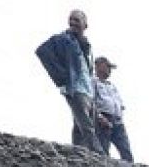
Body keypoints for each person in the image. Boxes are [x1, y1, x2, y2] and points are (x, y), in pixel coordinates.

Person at [35, 10, 103, 154]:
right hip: (75, 88)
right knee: (86, 125)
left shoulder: (85, 44)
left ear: (85, 24)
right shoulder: (63, 39)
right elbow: (42, 51)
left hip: (87, 90)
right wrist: (61, 76)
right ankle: (100, 154)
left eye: (76, 20)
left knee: (79, 126)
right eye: (71, 19)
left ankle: (78, 154)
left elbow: (87, 69)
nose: (72, 23)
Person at [92, 56, 132, 162]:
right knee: (103, 150)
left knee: (126, 151)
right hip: (103, 119)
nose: (110, 70)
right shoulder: (93, 82)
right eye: (108, 67)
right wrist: (99, 117)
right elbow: (90, 102)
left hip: (117, 120)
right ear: (99, 66)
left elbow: (120, 105)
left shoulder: (112, 86)